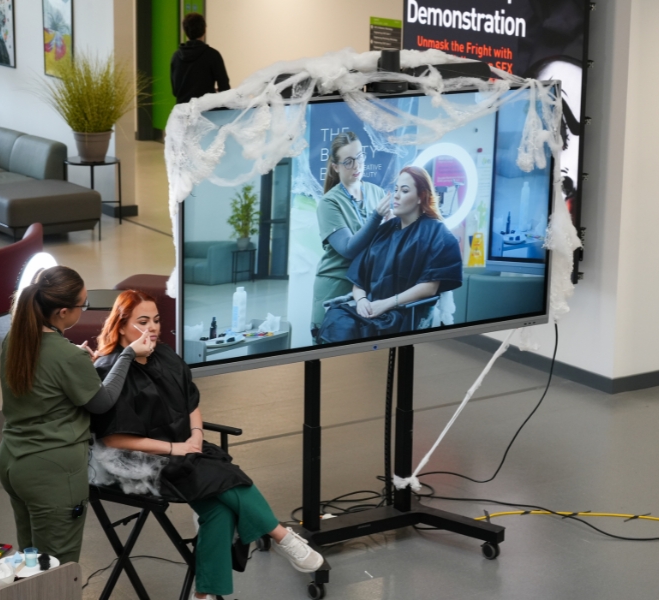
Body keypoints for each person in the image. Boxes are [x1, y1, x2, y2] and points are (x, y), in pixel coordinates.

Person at [91, 290, 324, 600]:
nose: (153, 328)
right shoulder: (110, 369)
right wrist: (174, 449)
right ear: (121, 326)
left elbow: (191, 402)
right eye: (142, 322)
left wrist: (196, 434)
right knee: (224, 478)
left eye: (156, 320)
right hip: (140, 463)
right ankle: (281, 535)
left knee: (219, 510)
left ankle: (203, 596)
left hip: (185, 447)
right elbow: (113, 438)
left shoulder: (165, 355)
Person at [0, 266, 153, 564]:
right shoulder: (68, 356)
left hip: (12, 463)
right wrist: (128, 355)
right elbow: (102, 402)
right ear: (63, 312)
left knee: (31, 566)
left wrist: (77, 364)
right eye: (83, 304)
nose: (84, 309)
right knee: (58, 571)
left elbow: (45, 378)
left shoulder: (16, 339)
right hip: (51, 472)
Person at [317, 166, 463, 344]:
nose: (396, 195)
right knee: (336, 319)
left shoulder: (437, 233)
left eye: (405, 190)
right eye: (396, 189)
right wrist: (362, 301)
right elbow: (358, 281)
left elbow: (429, 287)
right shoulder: (383, 231)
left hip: (403, 313)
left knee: (365, 333)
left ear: (421, 196)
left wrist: (385, 304)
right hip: (369, 309)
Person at [311, 131, 391, 338]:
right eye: (348, 162)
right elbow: (348, 249)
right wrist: (376, 217)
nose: (356, 166)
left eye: (359, 157)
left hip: (365, 289)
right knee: (332, 350)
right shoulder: (329, 203)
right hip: (336, 286)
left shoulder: (377, 192)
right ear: (335, 166)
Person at [171, 12, 230, 104]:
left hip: (182, 110)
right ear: (204, 30)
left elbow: (175, 91)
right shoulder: (213, 55)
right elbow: (224, 88)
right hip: (206, 109)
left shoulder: (176, 57)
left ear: (185, 32)